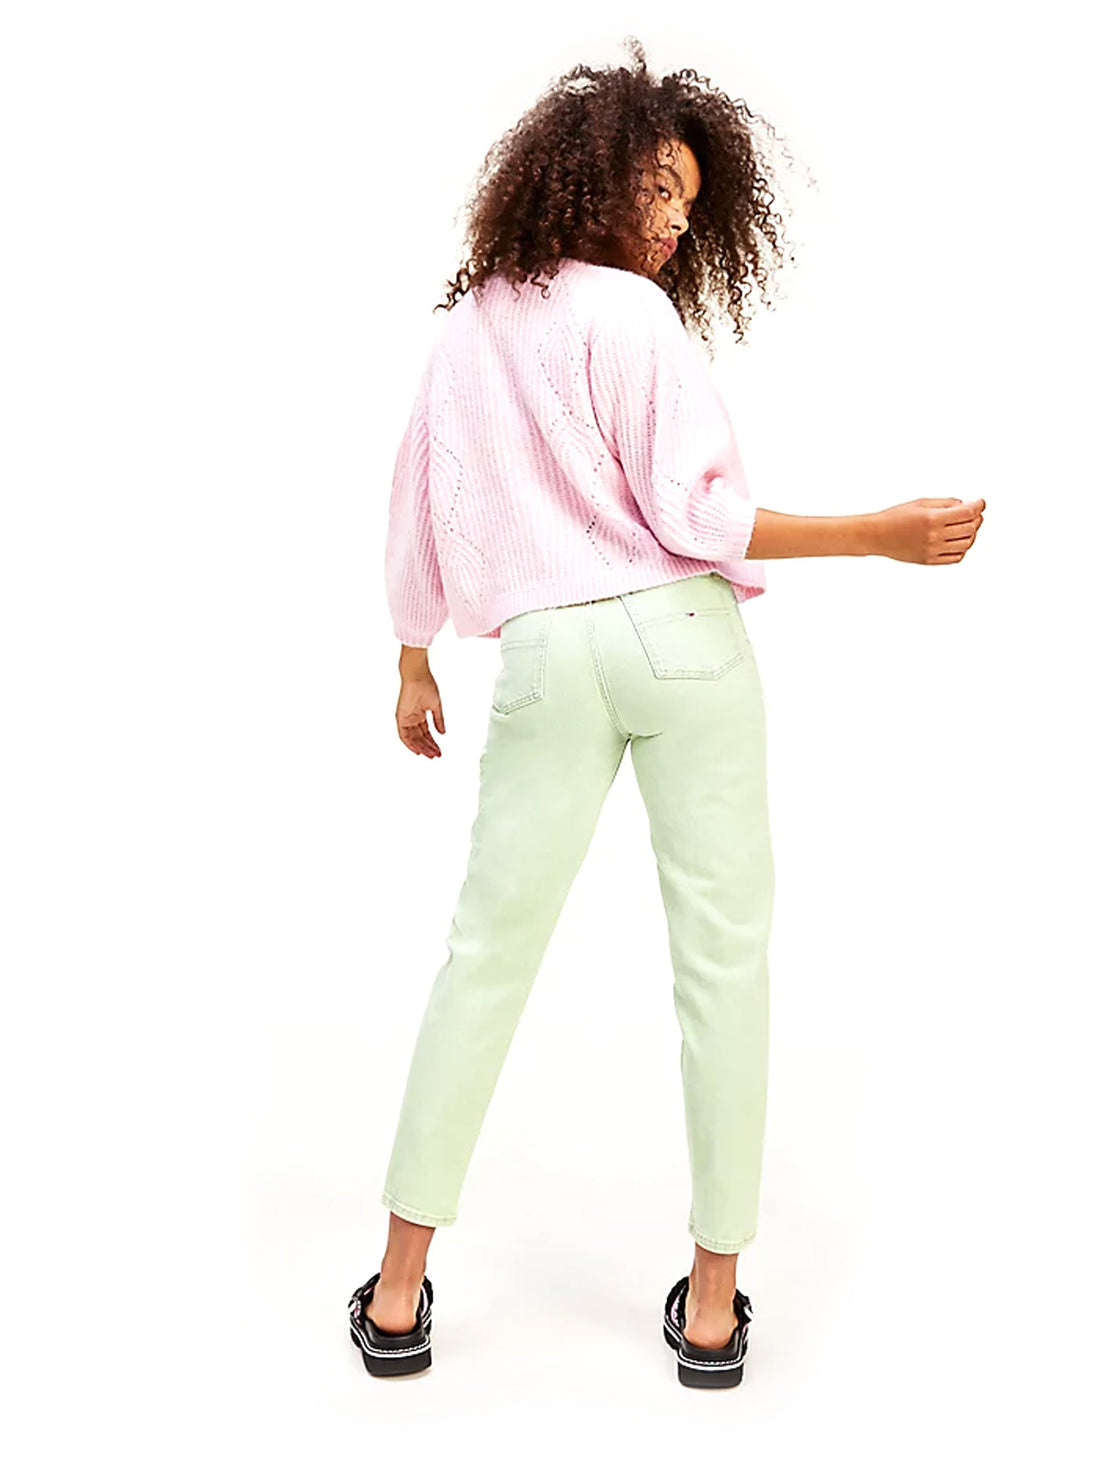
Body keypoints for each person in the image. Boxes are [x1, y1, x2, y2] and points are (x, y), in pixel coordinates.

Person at [347, 39, 985, 1388]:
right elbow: (699, 517)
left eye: (690, 204)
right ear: (591, 177)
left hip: (544, 657)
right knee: (723, 960)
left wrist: (413, 659)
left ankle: (397, 1295)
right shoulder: (635, 322)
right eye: (661, 191)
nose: (677, 223)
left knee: (484, 955)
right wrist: (875, 533)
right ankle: (711, 1308)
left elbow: (415, 502)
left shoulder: (470, 332)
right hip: (684, 640)